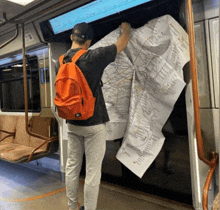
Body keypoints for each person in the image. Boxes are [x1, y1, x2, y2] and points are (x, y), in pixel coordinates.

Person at [63, 22, 130, 210]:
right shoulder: (93, 57)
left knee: (72, 166)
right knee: (93, 171)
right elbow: (121, 45)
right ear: (89, 42)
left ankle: (71, 206)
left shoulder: (62, 62)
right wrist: (126, 29)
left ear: (71, 38)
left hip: (72, 123)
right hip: (94, 124)